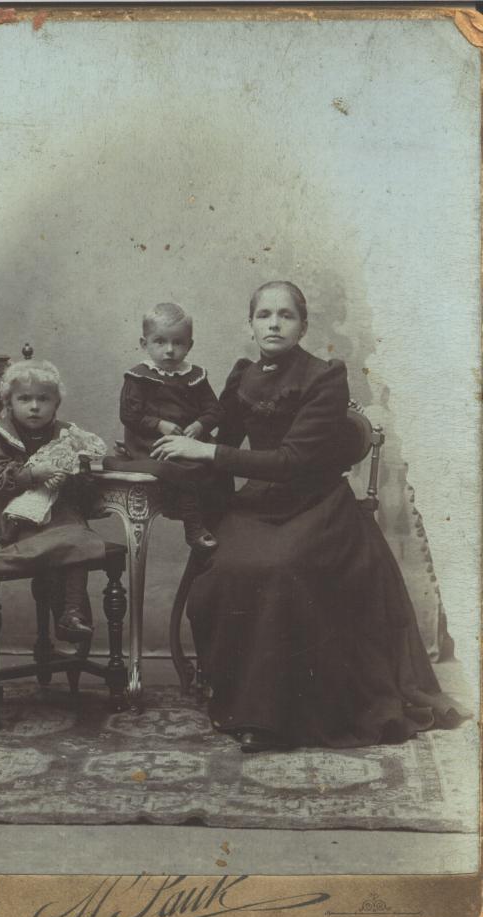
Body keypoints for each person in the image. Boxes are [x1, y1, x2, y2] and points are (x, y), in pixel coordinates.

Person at [151, 281, 468, 752]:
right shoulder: (243, 375)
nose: (274, 323)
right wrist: (180, 456)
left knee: (279, 570)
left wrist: (206, 450)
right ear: (251, 323)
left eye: (286, 315)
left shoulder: (325, 377)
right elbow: (228, 442)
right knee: (225, 568)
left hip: (318, 506)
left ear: (303, 325)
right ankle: (242, 700)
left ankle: (275, 717)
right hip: (258, 504)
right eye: (264, 315)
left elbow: (292, 461)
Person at [0, 359, 107, 643]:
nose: (34, 406)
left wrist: (68, 475)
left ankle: (71, 614)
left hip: (55, 509)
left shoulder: (66, 434)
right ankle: (68, 616)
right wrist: (35, 473)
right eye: (25, 399)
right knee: (57, 542)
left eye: (43, 399)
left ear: (56, 404)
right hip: (9, 510)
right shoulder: (1, 435)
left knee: (77, 539)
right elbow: (1, 480)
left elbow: (80, 477)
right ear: (9, 403)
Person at [104, 302, 223, 551]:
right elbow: (129, 414)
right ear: (144, 343)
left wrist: (200, 425)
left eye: (178, 343)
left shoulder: (195, 376)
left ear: (189, 345)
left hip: (190, 440)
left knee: (217, 462)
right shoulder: (139, 377)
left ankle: (221, 522)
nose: (169, 350)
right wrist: (159, 424)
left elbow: (214, 410)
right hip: (151, 441)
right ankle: (193, 525)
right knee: (184, 466)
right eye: (160, 342)